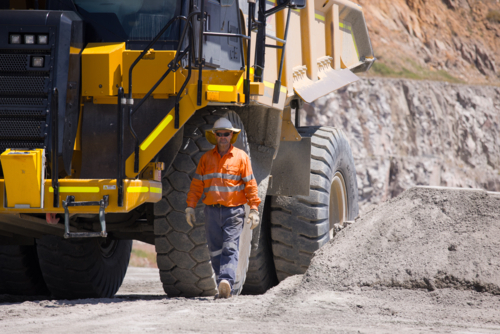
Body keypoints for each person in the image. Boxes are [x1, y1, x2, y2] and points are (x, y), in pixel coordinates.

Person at [185, 117, 261, 299]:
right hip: (211, 212)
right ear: (215, 136)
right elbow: (196, 185)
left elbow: (250, 184)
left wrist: (254, 209)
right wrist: (190, 207)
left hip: (233, 212)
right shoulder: (206, 159)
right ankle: (223, 284)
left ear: (232, 136)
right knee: (215, 250)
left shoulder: (241, 157)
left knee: (230, 247)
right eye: (219, 134)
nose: (223, 137)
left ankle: (227, 280)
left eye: (226, 134)